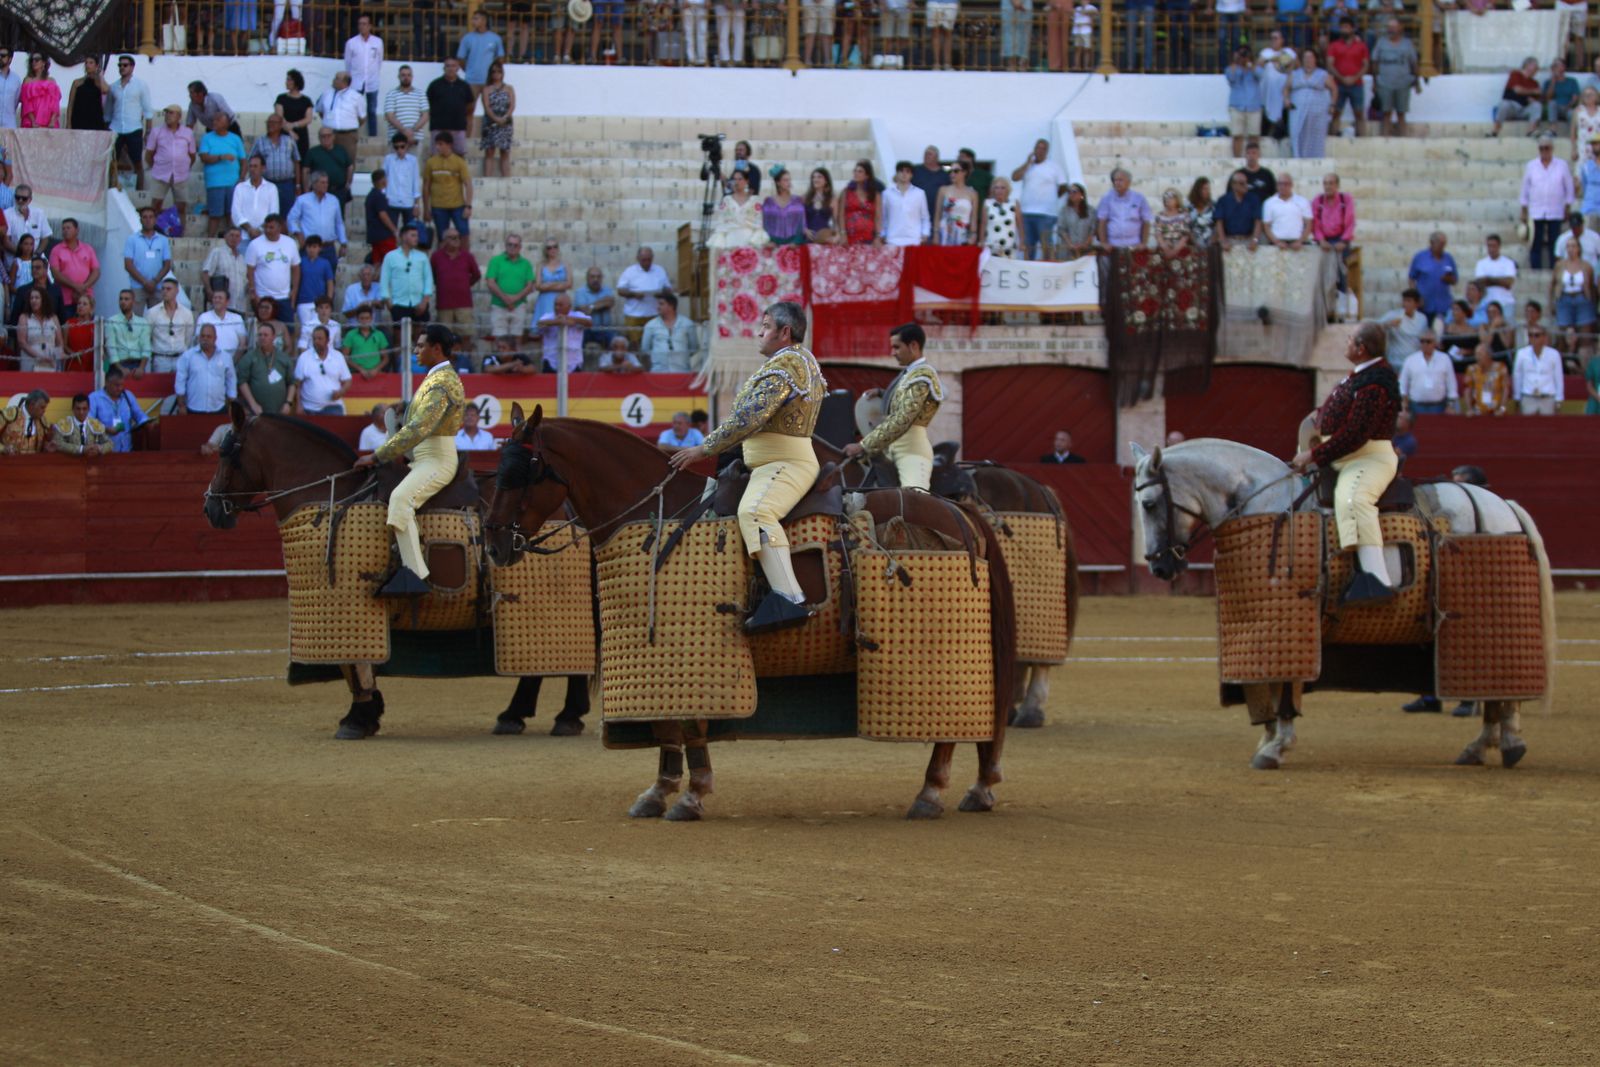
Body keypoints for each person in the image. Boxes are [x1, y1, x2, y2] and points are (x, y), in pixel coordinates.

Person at [668, 301, 824, 632]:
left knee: (755, 512)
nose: (758, 332)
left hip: (783, 463)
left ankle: (789, 598)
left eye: (765, 326)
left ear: (785, 332)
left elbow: (748, 418)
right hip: (769, 460)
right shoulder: (796, 362)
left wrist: (703, 448)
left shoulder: (787, 366)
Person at [1289, 323, 1401, 604]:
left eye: (1350, 339)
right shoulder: (1362, 376)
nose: (1346, 343)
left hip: (1369, 457)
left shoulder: (1375, 382)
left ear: (1361, 349)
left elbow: (1356, 434)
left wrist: (1314, 455)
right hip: (1346, 455)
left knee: (1354, 498)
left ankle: (1377, 579)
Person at [353, 324, 467, 597]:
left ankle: (416, 575)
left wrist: (378, 454)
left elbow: (418, 429)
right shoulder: (434, 379)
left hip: (437, 461)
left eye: (420, 346)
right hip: (422, 457)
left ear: (436, 348)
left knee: (401, 499)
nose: (415, 350)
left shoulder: (443, 383)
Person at [844, 322, 942, 490]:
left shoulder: (923, 375)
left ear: (913, 346)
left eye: (897, 347)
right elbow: (903, 399)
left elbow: (902, 419)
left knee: (914, 501)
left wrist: (863, 445)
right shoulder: (910, 373)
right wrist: (882, 393)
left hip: (911, 453)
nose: (893, 353)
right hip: (890, 449)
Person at [1013, 139, 1068, 260]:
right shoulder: (1028, 166)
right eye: (1038, 147)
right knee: (1028, 245)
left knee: (1046, 245)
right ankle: (1029, 268)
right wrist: (1027, 163)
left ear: (1047, 151)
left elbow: (1063, 186)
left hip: (1046, 213)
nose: (1040, 150)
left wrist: (1053, 198)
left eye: (1043, 148)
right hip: (1027, 212)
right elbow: (1014, 177)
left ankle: (1047, 269)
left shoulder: (1054, 167)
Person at [485, 235, 537, 359]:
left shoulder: (526, 264)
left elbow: (530, 285)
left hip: (518, 306)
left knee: (517, 339)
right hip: (499, 305)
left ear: (520, 247)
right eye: (510, 244)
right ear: (505, 245)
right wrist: (506, 299)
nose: (512, 247)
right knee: (499, 338)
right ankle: (498, 364)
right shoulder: (496, 261)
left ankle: (516, 364)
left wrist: (514, 299)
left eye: (515, 245)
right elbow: (490, 282)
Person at [245, 213, 302, 324]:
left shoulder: (290, 243)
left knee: (287, 330)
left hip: (284, 297)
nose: (267, 230)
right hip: (262, 297)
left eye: (271, 227)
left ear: (280, 227)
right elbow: (250, 270)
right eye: (265, 227)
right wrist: (254, 293)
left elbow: (296, 268)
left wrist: (294, 291)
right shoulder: (255, 244)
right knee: (264, 331)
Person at [106, 57, 153, 190]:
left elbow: (148, 110)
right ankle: (111, 188)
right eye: (120, 65)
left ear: (132, 67)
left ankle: (140, 191)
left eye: (125, 65)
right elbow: (108, 111)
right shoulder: (113, 86)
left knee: (137, 162)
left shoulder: (140, 85)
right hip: (115, 128)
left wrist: (148, 132)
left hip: (134, 128)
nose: (122, 67)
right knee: (112, 161)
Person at [144, 104, 195, 225]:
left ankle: (181, 231)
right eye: (166, 113)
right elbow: (148, 154)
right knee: (156, 204)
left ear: (179, 116)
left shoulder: (188, 133)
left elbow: (192, 155)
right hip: (161, 173)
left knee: (181, 206)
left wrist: (184, 166)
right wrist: (157, 166)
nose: (167, 115)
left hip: (180, 174)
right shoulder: (157, 131)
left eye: (171, 113)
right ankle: (153, 229)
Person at [198, 111, 245, 239]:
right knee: (215, 214)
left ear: (227, 123)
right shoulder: (207, 138)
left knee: (232, 214)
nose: (215, 122)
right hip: (215, 182)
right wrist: (220, 157)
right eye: (214, 120)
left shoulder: (235, 139)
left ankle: (233, 240)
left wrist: (241, 178)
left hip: (233, 182)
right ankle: (210, 240)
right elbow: (204, 157)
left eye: (218, 120)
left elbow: (243, 160)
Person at [430, 226, 481, 344]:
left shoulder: (467, 256)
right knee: (444, 338)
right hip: (444, 304)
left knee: (466, 336)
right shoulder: (436, 257)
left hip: (464, 303)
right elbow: (433, 276)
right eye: (452, 238)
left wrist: (465, 285)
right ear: (445, 240)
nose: (456, 240)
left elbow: (476, 275)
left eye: (458, 237)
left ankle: (465, 362)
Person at [1551, 233, 1597, 360]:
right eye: (1568, 246)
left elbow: (1592, 288)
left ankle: (1583, 365)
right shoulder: (1560, 265)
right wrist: (1552, 303)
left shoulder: (1587, 266)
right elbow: (1553, 284)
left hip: (1582, 299)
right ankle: (1564, 364)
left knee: (1585, 337)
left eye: (1573, 246)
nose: (1571, 249)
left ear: (1579, 248)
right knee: (1563, 335)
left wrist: (1593, 304)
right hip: (1564, 299)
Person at [423, 132, 474, 247]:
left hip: (458, 206)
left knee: (464, 234)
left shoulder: (459, 162)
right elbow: (426, 186)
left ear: (449, 145)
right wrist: (426, 208)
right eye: (437, 144)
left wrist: (468, 206)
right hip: (438, 206)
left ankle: (465, 261)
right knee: (442, 237)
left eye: (441, 144)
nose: (437, 147)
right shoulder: (431, 162)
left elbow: (468, 184)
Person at [1371, 19, 1419, 138]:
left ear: (1400, 28)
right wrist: (1374, 82)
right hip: (1384, 83)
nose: (1390, 29)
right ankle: (1385, 139)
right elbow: (1374, 62)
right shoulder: (1381, 42)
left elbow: (1413, 63)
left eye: (1393, 27)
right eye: (1389, 27)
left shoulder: (1407, 43)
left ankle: (1404, 139)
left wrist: (1417, 81)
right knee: (1386, 113)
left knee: (1401, 113)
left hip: (1403, 83)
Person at [174, 325, 238, 415]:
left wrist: (232, 405)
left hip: (218, 408)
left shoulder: (225, 357)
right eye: (203, 336)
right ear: (199, 337)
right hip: (193, 408)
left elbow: (231, 380)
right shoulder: (188, 356)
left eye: (209, 336)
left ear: (215, 338)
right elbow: (180, 381)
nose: (205, 339)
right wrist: (181, 405)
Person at [237, 323, 298, 415]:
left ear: (273, 337)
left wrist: (288, 403)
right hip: (256, 411)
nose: (262, 337)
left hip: (279, 411)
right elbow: (242, 382)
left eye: (266, 335)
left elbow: (292, 383)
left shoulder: (284, 358)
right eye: (260, 335)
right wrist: (253, 404)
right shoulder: (249, 357)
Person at [88, 367, 151, 452]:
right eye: (116, 385)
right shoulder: (94, 398)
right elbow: (88, 421)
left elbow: (138, 413)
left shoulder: (128, 395)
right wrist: (105, 429)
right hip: (104, 452)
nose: (120, 388)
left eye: (122, 385)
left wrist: (146, 421)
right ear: (107, 383)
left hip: (127, 449)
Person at [47, 218, 99, 321]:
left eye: (68, 228)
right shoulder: (56, 250)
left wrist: (84, 286)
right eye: (63, 229)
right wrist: (75, 286)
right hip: (66, 300)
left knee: (87, 330)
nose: (65, 231)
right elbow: (55, 274)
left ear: (77, 230)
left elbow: (96, 271)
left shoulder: (88, 249)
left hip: (86, 298)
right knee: (68, 329)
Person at [1326, 17, 1369, 139]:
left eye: (1346, 27)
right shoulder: (1334, 45)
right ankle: (1332, 140)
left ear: (1352, 29)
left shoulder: (1361, 46)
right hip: (1339, 84)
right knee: (1336, 113)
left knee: (1359, 113)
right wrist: (1342, 78)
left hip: (1357, 84)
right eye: (1342, 27)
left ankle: (1363, 140)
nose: (1343, 30)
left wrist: (1354, 78)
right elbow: (1330, 64)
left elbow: (1366, 65)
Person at [250, 113, 300, 217]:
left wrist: (297, 184)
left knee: (287, 214)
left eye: (273, 123)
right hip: (267, 183)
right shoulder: (260, 141)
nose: (270, 125)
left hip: (286, 184)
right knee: (267, 214)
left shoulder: (289, 140)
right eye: (268, 122)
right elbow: (251, 159)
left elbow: (296, 161)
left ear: (281, 125)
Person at [294, 327, 352, 415]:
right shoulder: (304, 357)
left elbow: (348, 380)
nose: (316, 341)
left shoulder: (338, 356)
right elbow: (297, 384)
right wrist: (299, 405)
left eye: (320, 339)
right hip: (309, 408)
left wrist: (341, 392)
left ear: (328, 340)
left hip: (334, 407)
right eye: (314, 339)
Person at [1398, 333, 1460, 416]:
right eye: (1422, 341)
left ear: (1435, 343)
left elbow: (1451, 384)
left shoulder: (1445, 359)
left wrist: (1451, 405)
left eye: (1428, 341)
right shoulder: (1410, 360)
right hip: (1415, 406)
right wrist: (1404, 403)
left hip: (1439, 406)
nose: (1425, 344)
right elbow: (1402, 384)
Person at [1287, 50, 1332, 160]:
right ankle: (1297, 156)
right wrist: (1286, 100)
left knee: (1315, 134)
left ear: (1315, 59)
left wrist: (1333, 105)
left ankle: (1316, 158)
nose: (1308, 60)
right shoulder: (1295, 74)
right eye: (1306, 57)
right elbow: (1286, 88)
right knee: (1297, 132)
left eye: (1311, 57)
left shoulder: (1322, 74)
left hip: (1317, 110)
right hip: (1297, 109)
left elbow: (1334, 89)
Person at [344, 15, 384, 137]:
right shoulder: (351, 43)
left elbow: (379, 61)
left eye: (364, 24)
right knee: (355, 111)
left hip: (372, 82)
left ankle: (373, 137)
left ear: (370, 26)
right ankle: (353, 136)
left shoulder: (377, 42)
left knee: (372, 111)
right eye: (360, 24)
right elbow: (348, 63)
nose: (362, 26)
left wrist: (373, 75)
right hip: (356, 82)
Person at [427, 58, 476, 157]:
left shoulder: (464, 86)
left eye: (453, 66)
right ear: (444, 68)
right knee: (436, 158)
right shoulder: (434, 85)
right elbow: (428, 104)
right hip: (438, 128)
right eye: (448, 66)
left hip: (458, 128)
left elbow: (470, 106)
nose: (450, 68)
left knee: (459, 157)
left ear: (458, 68)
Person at [616, 246, 672, 331]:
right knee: (635, 342)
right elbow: (620, 290)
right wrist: (634, 294)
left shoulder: (660, 270)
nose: (647, 263)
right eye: (644, 260)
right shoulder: (629, 271)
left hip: (655, 313)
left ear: (652, 258)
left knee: (655, 341)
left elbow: (668, 289)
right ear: (638, 258)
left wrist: (661, 294)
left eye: (649, 260)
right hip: (634, 315)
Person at [640, 293, 699, 372]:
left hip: (682, 371)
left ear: (671, 306)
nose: (658, 307)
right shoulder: (650, 325)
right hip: (658, 372)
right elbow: (645, 349)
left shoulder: (687, 324)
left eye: (661, 304)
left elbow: (693, 348)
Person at [709, 169, 768, 248]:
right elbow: (721, 221)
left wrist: (754, 241)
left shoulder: (755, 201)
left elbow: (759, 222)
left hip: (749, 241)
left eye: (740, 179)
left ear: (747, 181)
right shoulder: (727, 200)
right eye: (734, 179)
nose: (737, 182)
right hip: (730, 241)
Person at [1096, 168, 1152, 250]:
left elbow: (1146, 221)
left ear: (1129, 182)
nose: (1117, 183)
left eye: (1120, 180)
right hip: (1113, 245)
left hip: (1134, 244)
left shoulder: (1139, 198)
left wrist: (1143, 243)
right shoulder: (1106, 199)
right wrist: (1104, 243)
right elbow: (1102, 222)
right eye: (1115, 180)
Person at [317, 72, 366, 165]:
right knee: (327, 163)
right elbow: (320, 111)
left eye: (336, 78)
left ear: (345, 82)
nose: (333, 80)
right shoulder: (326, 94)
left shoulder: (356, 97)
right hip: (329, 135)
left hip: (347, 136)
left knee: (348, 162)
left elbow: (362, 118)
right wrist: (329, 123)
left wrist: (349, 126)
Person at [1408, 232, 1458, 323]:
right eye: (1440, 243)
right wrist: (1416, 297)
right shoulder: (1420, 257)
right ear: (1431, 242)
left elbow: (1455, 280)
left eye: (1444, 244)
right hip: (1424, 305)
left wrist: (1449, 279)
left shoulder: (1448, 258)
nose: (1442, 246)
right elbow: (1411, 278)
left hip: (1443, 306)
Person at [146, 278, 194, 373]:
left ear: (177, 291)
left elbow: (188, 337)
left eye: (168, 289)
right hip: (160, 359)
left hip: (180, 358)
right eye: (163, 289)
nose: (165, 291)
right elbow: (147, 336)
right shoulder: (152, 312)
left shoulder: (186, 313)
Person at [1513, 326, 1564, 414]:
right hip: (1528, 397)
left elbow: (1558, 378)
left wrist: (1558, 400)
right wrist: (1517, 398)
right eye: (1530, 335)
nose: (1533, 338)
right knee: (1528, 426)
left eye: (1537, 335)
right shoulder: (1521, 354)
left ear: (1544, 337)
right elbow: (1517, 377)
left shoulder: (1554, 354)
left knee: (1548, 426)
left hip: (1547, 397)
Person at [1226, 48, 1265, 159]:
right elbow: (1231, 78)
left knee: (1254, 136)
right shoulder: (1232, 68)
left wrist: (1250, 65)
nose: (1243, 57)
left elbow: (1261, 76)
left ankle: (1254, 159)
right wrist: (1237, 63)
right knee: (1237, 135)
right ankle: (1237, 160)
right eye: (1241, 55)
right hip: (1237, 107)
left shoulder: (1255, 69)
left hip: (1254, 107)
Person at [479, 63, 515, 179]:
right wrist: (495, 119)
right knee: (489, 151)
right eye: (493, 71)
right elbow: (487, 106)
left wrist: (505, 117)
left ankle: (506, 178)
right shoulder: (486, 89)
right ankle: (488, 179)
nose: (496, 74)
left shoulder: (509, 88)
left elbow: (512, 105)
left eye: (498, 71)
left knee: (504, 151)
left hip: (505, 122)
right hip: (490, 123)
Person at [883, 161, 931, 247]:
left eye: (907, 171)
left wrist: (925, 233)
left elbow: (925, 217)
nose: (904, 174)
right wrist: (883, 234)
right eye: (901, 171)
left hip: (914, 240)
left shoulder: (920, 193)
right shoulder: (887, 194)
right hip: (892, 240)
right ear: (897, 173)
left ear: (911, 175)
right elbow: (883, 216)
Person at [304, 125, 354, 208]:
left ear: (333, 136)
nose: (326, 138)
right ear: (319, 138)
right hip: (319, 191)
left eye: (329, 135)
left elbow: (350, 167)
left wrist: (348, 183)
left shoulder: (341, 150)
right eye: (323, 136)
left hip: (338, 190)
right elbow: (306, 171)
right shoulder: (312, 152)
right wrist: (306, 189)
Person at [1493, 57, 1543, 137]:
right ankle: (1495, 131)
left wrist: (1533, 99)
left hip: (1524, 109)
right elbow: (1517, 90)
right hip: (1511, 107)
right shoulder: (1515, 74)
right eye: (1535, 67)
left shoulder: (1534, 83)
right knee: (1504, 104)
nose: (1537, 69)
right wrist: (1532, 92)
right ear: (1527, 65)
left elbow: (1537, 99)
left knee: (1537, 106)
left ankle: (1531, 131)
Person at [105, 289, 153, 374]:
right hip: (118, 364)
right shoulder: (111, 321)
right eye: (121, 299)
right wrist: (120, 368)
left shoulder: (142, 322)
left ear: (133, 302)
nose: (123, 302)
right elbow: (110, 347)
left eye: (126, 299)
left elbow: (146, 347)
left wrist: (141, 368)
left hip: (137, 364)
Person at [1472, 234, 1518, 319]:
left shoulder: (1508, 263)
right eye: (1489, 246)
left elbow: (1508, 282)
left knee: (1507, 330)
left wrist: (1489, 280)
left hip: (1506, 303)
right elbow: (1480, 283)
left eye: (1494, 246)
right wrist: (1500, 281)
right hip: (1488, 303)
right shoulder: (1481, 263)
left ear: (1499, 246)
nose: (1491, 249)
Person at [383, 65, 430, 151]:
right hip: (396, 141)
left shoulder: (421, 94)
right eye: (403, 75)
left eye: (409, 75)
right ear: (398, 77)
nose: (406, 77)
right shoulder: (391, 94)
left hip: (416, 139)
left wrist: (412, 131)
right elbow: (390, 116)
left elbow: (425, 115)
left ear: (412, 77)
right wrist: (405, 131)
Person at [196, 287, 247, 363]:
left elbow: (243, 343)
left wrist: (232, 362)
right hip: (209, 361)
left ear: (227, 301)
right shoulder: (203, 317)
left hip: (233, 362)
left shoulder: (237, 318)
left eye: (220, 298)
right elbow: (199, 340)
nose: (217, 300)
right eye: (215, 298)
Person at [1378, 288, 1429, 365]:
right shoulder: (1393, 315)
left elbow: (1424, 339)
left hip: (1414, 361)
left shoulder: (1422, 319)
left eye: (1409, 301)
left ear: (1416, 304)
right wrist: (1388, 325)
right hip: (1395, 361)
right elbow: (1374, 327)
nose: (1405, 304)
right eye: (1404, 300)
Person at [935, 161, 980, 246]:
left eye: (956, 171)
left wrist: (973, 234)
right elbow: (938, 214)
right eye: (950, 171)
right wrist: (936, 233)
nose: (952, 174)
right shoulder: (943, 190)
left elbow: (973, 217)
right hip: (945, 233)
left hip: (963, 235)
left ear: (964, 172)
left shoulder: (972, 193)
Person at [1261, 173, 1311, 250]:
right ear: (1276, 185)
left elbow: (1308, 224)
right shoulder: (1268, 203)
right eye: (1280, 184)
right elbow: (1266, 226)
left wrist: (1300, 241)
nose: (1283, 186)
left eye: (1286, 184)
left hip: (1298, 244)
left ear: (1291, 185)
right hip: (1276, 245)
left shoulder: (1302, 201)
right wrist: (1277, 242)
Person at [17, 288, 63, 371]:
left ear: (44, 300)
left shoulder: (53, 318)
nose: (33, 300)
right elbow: (22, 342)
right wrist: (40, 357)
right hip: (30, 362)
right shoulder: (24, 317)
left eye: (37, 298)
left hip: (51, 362)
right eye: (31, 298)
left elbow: (59, 342)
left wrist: (56, 357)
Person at [274, 69, 314, 160]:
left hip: (301, 135)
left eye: (289, 80)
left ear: (296, 82)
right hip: (284, 133)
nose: (286, 82)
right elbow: (279, 116)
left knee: (301, 159)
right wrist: (290, 131)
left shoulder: (306, 100)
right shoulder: (281, 98)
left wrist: (293, 125)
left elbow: (308, 119)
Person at [1462, 343, 1510, 416]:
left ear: (1489, 355)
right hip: (1477, 413)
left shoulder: (1501, 368)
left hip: (1497, 414)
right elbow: (1467, 390)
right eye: (1476, 354)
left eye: (1480, 354)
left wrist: (1502, 409)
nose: (1477, 357)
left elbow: (1506, 389)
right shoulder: (1472, 369)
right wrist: (1469, 409)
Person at [841, 161, 882, 246]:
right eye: (855, 171)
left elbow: (878, 217)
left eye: (860, 171)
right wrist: (842, 233)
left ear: (867, 175)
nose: (856, 173)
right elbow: (841, 215)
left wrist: (878, 237)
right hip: (849, 237)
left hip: (869, 237)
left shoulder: (875, 194)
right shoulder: (846, 192)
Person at [763, 168, 807, 246]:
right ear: (778, 182)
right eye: (785, 180)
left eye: (789, 180)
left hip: (794, 243)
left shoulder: (797, 201)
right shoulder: (769, 201)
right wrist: (768, 241)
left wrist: (796, 241)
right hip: (773, 243)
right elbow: (765, 224)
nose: (789, 183)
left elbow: (802, 223)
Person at [343, 305, 390, 378]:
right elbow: (344, 357)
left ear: (371, 319)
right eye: (362, 318)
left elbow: (385, 358)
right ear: (357, 319)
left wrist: (376, 369)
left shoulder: (379, 334)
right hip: (355, 373)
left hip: (376, 373)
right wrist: (360, 369)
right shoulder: (350, 335)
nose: (364, 321)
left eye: (367, 318)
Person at [981, 176, 1021, 258]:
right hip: (991, 244)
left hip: (1009, 245)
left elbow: (1020, 224)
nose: (999, 191)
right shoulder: (987, 203)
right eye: (997, 188)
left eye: (1003, 188)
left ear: (1007, 190)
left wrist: (1022, 241)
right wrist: (981, 240)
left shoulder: (1015, 204)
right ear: (993, 190)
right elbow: (983, 224)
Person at [1, 390, 51, 454]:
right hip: (9, 461)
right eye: (42, 407)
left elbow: (43, 444)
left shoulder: (42, 421)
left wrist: (46, 447)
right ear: (32, 404)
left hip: (33, 462)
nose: (44, 411)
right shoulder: (9, 414)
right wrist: (3, 448)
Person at [19, 54, 60, 129]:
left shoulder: (51, 81)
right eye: (32, 60)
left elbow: (55, 102)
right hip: (32, 121)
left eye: (37, 60)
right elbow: (26, 102)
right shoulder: (27, 80)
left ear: (44, 62)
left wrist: (52, 120)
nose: (34, 62)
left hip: (49, 121)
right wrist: (33, 121)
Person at [910, 145, 948, 220]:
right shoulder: (915, 170)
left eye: (929, 154)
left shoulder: (944, 175)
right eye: (925, 154)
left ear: (937, 157)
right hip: (916, 213)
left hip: (937, 214)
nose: (926, 156)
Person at [803, 168, 836, 244]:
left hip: (825, 238)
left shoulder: (832, 199)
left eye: (819, 177)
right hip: (808, 238)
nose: (815, 179)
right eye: (814, 177)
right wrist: (804, 229)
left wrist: (835, 235)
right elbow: (800, 220)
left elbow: (836, 222)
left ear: (826, 180)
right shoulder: (804, 198)